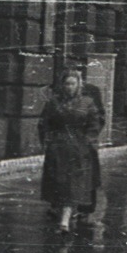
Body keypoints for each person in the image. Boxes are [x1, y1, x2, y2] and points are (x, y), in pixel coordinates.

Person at [40, 68, 105, 234]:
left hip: (79, 149)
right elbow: (44, 124)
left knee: (72, 185)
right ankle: (62, 215)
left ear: (78, 85)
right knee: (59, 184)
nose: (69, 87)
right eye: (66, 83)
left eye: (72, 83)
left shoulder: (87, 102)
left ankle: (64, 222)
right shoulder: (53, 103)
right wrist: (48, 142)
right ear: (62, 85)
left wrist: (89, 142)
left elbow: (94, 125)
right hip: (58, 148)